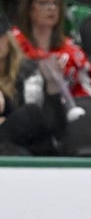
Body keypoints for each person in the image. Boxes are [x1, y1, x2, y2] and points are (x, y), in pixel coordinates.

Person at [10, 0, 91, 98]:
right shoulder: (12, 43)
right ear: (29, 8)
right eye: (43, 3)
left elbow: (85, 91)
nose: (51, 8)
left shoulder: (72, 51)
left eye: (55, 3)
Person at [0, 12, 66, 154]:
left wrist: (52, 86)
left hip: (29, 146)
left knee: (30, 114)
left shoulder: (29, 71)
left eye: (0, 37)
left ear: (8, 39)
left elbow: (52, 124)